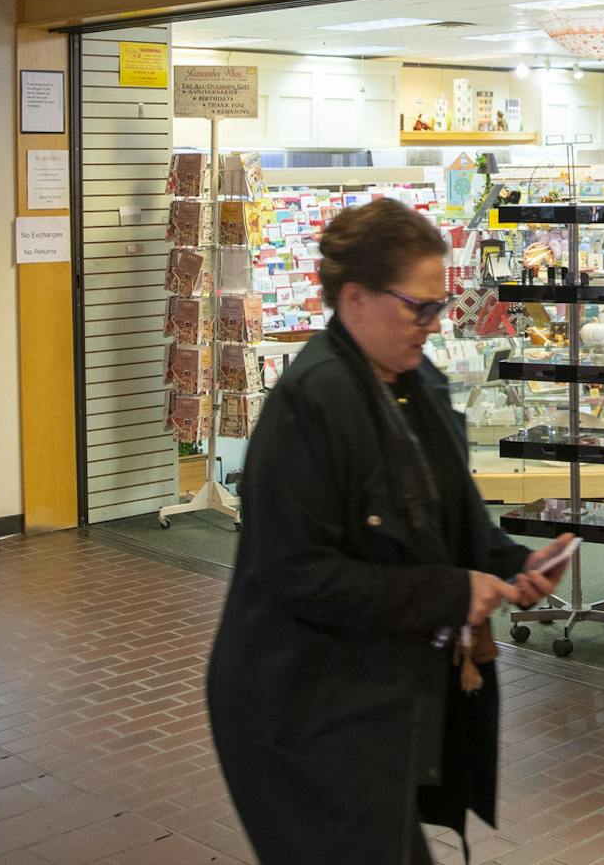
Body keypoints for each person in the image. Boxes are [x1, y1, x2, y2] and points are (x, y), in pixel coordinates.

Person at [208, 198, 573, 863]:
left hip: (371, 705)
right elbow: (302, 575)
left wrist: (515, 563)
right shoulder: (311, 403)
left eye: (439, 307)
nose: (433, 325)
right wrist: (451, 593)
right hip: (300, 710)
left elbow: (449, 513)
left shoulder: (414, 382)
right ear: (355, 299)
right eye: (419, 306)